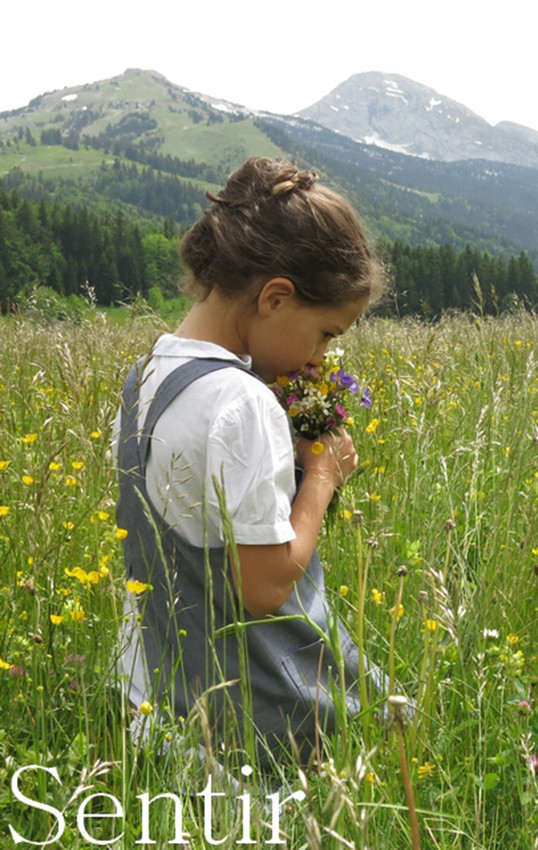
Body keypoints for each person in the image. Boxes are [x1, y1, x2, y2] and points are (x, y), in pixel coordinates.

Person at [112, 157, 385, 766]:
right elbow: (263, 588)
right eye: (325, 334)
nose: (318, 359)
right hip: (246, 727)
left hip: (156, 705)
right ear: (276, 297)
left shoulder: (148, 377)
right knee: (405, 731)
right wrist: (321, 476)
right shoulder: (242, 403)